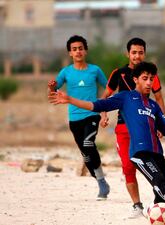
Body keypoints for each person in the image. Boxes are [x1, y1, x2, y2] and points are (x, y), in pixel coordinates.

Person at [49, 61, 165, 219]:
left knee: (163, 191)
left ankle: (148, 212)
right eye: (145, 78)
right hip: (140, 152)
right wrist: (70, 99)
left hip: (157, 153)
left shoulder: (154, 106)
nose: (149, 82)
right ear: (136, 80)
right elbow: (96, 105)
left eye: (151, 79)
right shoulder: (126, 97)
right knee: (159, 181)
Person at [100, 37, 165, 216]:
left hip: (145, 127)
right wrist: (104, 116)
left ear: (145, 53)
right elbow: (105, 97)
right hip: (123, 128)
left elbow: (159, 99)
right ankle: (137, 206)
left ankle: (159, 202)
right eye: (134, 52)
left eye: (141, 52)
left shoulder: (151, 75)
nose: (137, 56)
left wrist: (160, 123)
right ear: (127, 53)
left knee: (152, 166)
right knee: (128, 168)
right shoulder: (118, 73)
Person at [47, 35, 110, 201]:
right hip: (74, 118)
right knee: (86, 154)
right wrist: (52, 87)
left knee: (88, 144)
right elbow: (54, 93)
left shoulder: (95, 70)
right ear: (70, 53)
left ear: (86, 50)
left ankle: (102, 183)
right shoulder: (66, 72)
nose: (78, 51)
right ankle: (101, 180)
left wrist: (103, 110)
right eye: (74, 49)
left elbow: (109, 88)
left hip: (92, 114)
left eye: (80, 48)